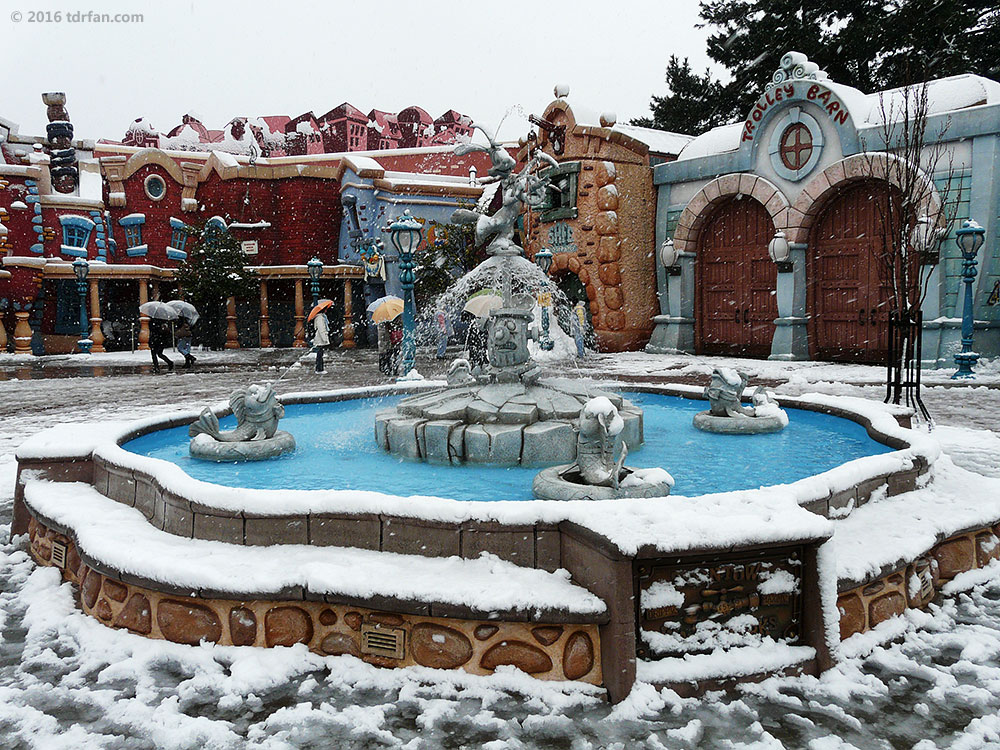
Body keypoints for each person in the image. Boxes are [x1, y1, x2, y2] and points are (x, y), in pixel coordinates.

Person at [312, 308, 330, 373]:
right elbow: (321, 329)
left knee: (320, 353)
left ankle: (319, 368)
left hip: (320, 337)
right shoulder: (320, 318)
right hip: (320, 337)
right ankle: (319, 369)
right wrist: (325, 339)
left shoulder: (321, 317)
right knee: (320, 354)